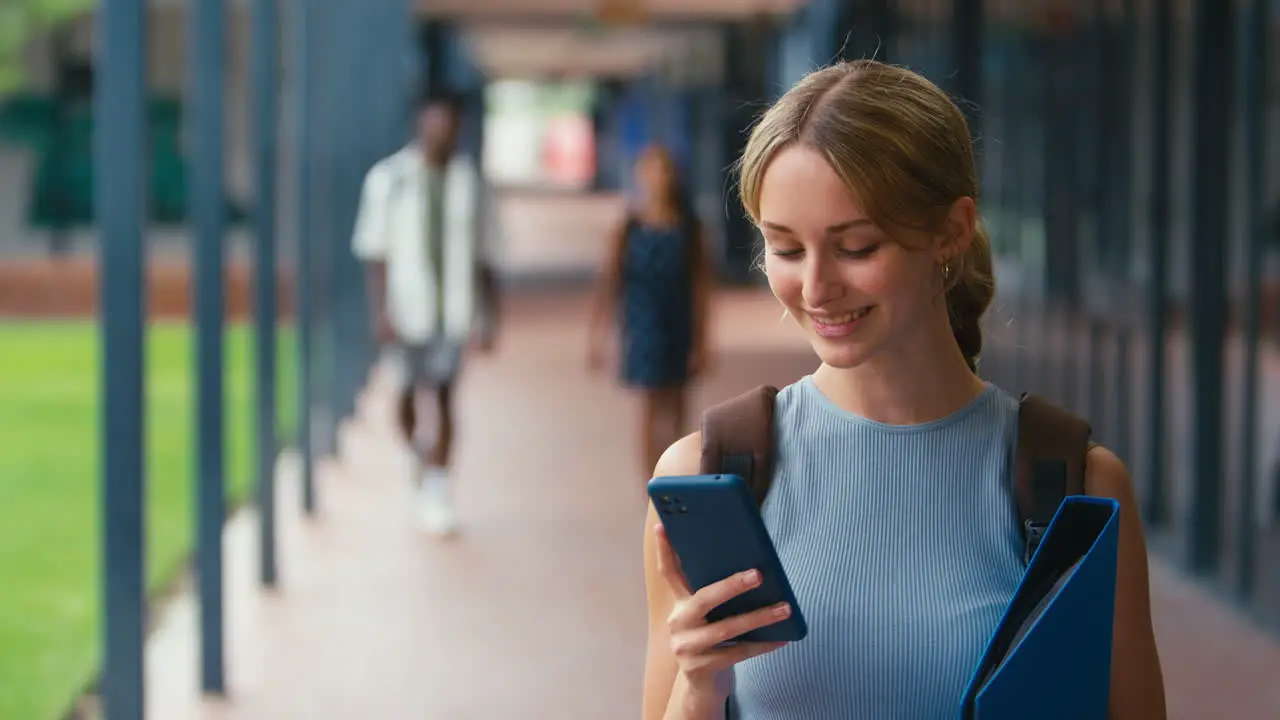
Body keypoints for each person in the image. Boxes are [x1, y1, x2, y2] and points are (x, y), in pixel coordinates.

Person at [640, 61, 1166, 718]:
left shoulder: (1078, 488)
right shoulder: (712, 473)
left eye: (856, 247)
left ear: (951, 231)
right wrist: (699, 685)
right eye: (786, 248)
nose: (815, 287)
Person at [351, 88, 499, 537]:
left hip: (453, 313)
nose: (442, 130)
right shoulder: (389, 179)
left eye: (450, 122)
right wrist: (380, 313)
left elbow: (484, 256)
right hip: (407, 310)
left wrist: (490, 317)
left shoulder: (470, 183)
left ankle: (438, 484)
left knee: (448, 394)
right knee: (409, 394)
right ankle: (417, 455)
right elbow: (374, 252)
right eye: (435, 120)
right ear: (420, 123)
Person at [588, 144, 716, 476]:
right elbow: (609, 284)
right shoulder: (629, 228)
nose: (657, 178)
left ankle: (677, 476)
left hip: (679, 324)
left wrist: (703, 340)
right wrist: (597, 337)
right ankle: (651, 484)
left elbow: (701, 286)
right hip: (643, 326)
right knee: (648, 406)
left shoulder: (689, 227)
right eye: (650, 169)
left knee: (677, 405)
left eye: (664, 170)